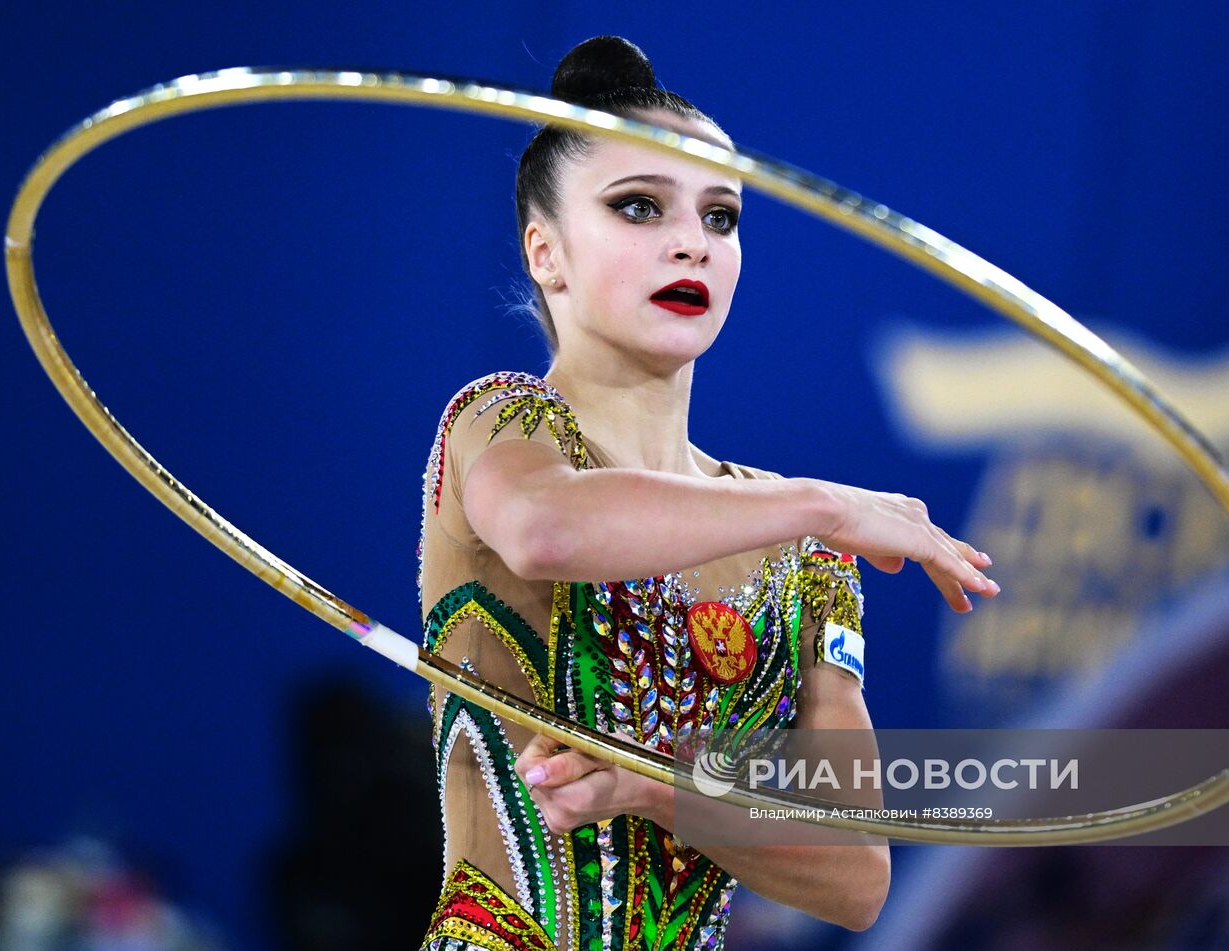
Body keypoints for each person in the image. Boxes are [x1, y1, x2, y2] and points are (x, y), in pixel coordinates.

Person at [415, 36, 999, 951]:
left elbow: (857, 876)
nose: (692, 240)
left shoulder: (805, 561)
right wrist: (828, 506)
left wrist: (660, 789)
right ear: (547, 252)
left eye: (721, 216)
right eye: (639, 207)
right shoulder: (502, 425)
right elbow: (543, 530)